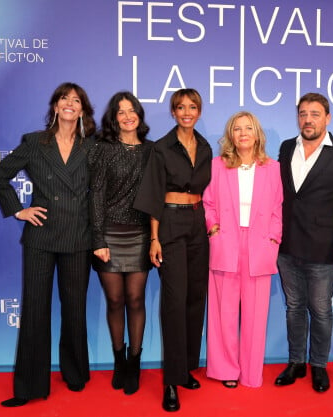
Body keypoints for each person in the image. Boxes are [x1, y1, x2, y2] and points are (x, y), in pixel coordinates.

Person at [0, 82, 96, 407]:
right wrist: (18, 209)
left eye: (76, 101)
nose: (69, 104)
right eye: (64, 99)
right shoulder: (34, 143)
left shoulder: (92, 147)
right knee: (35, 311)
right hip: (41, 237)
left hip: (78, 237)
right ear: (55, 106)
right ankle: (29, 387)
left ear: (82, 111)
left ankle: (75, 375)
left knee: (75, 310)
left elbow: (101, 193)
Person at [275, 92, 333, 393]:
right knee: (294, 307)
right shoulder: (286, 148)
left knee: (320, 309)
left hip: (324, 248)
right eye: (302, 114)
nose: (307, 119)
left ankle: (319, 365)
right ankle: (296, 361)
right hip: (286, 245)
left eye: (314, 113)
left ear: (327, 118)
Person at [133, 88, 212, 412]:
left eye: (192, 107)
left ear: (199, 111)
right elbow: (153, 195)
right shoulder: (162, 148)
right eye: (181, 107)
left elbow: (211, 190)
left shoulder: (206, 147)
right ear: (173, 111)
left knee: (195, 297)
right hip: (169, 225)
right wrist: (154, 239)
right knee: (174, 301)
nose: (187, 112)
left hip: (197, 224)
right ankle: (170, 381)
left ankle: (186, 370)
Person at [204, 111, 283, 388]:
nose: (243, 133)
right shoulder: (216, 165)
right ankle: (226, 369)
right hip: (226, 242)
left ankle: (251, 373)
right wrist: (213, 228)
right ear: (230, 135)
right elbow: (208, 203)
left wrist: (273, 239)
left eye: (248, 128)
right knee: (223, 313)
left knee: (255, 316)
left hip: (260, 245)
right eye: (237, 129)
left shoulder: (272, 168)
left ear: (257, 133)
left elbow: (277, 208)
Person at [88, 91, 153, 395]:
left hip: (140, 235)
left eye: (132, 111)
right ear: (114, 118)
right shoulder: (103, 149)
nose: (128, 116)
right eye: (121, 112)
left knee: (136, 300)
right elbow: (96, 196)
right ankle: (118, 361)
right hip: (108, 236)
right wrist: (98, 238)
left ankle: (135, 363)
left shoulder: (153, 151)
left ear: (140, 115)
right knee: (115, 301)